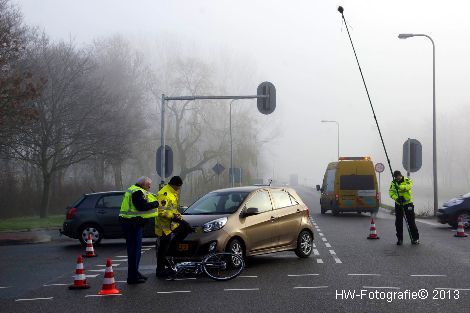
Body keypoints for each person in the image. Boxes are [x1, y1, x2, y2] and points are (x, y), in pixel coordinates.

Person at [119, 176, 159, 284]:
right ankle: (132, 277)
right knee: (134, 251)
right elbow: (141, 206)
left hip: (133, 223)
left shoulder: (135, 189)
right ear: (143, 184)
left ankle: (135, 273)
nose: (150, 186)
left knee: (136, 251)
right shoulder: (137, 191)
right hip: (132, 224)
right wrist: (156, 204)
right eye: (149, 184)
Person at [155, 176, 192, 277]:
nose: (179, 189)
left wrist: (180, 219)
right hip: (164, 226)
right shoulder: (164, 194)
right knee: (163, 248)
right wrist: (175, 218)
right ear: (175, 185)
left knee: (186, 228)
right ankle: (160, 270)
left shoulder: (172, 192)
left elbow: (173, 209)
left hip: (171, 223)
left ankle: (171, 252)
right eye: (178, 187)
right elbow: (161, 211)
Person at [389, 170, 420, 245]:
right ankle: (400, 239)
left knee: (411, 222)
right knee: (398, 222)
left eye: (398, 178)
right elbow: (391, 192)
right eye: (396, 178)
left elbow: (408, 187)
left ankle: (415, 238)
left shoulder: (407, 180)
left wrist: (399, 187)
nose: (397, 179)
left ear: (400, 175)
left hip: (408, 203)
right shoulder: (393, 183)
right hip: (398, 204)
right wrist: (396, 198)